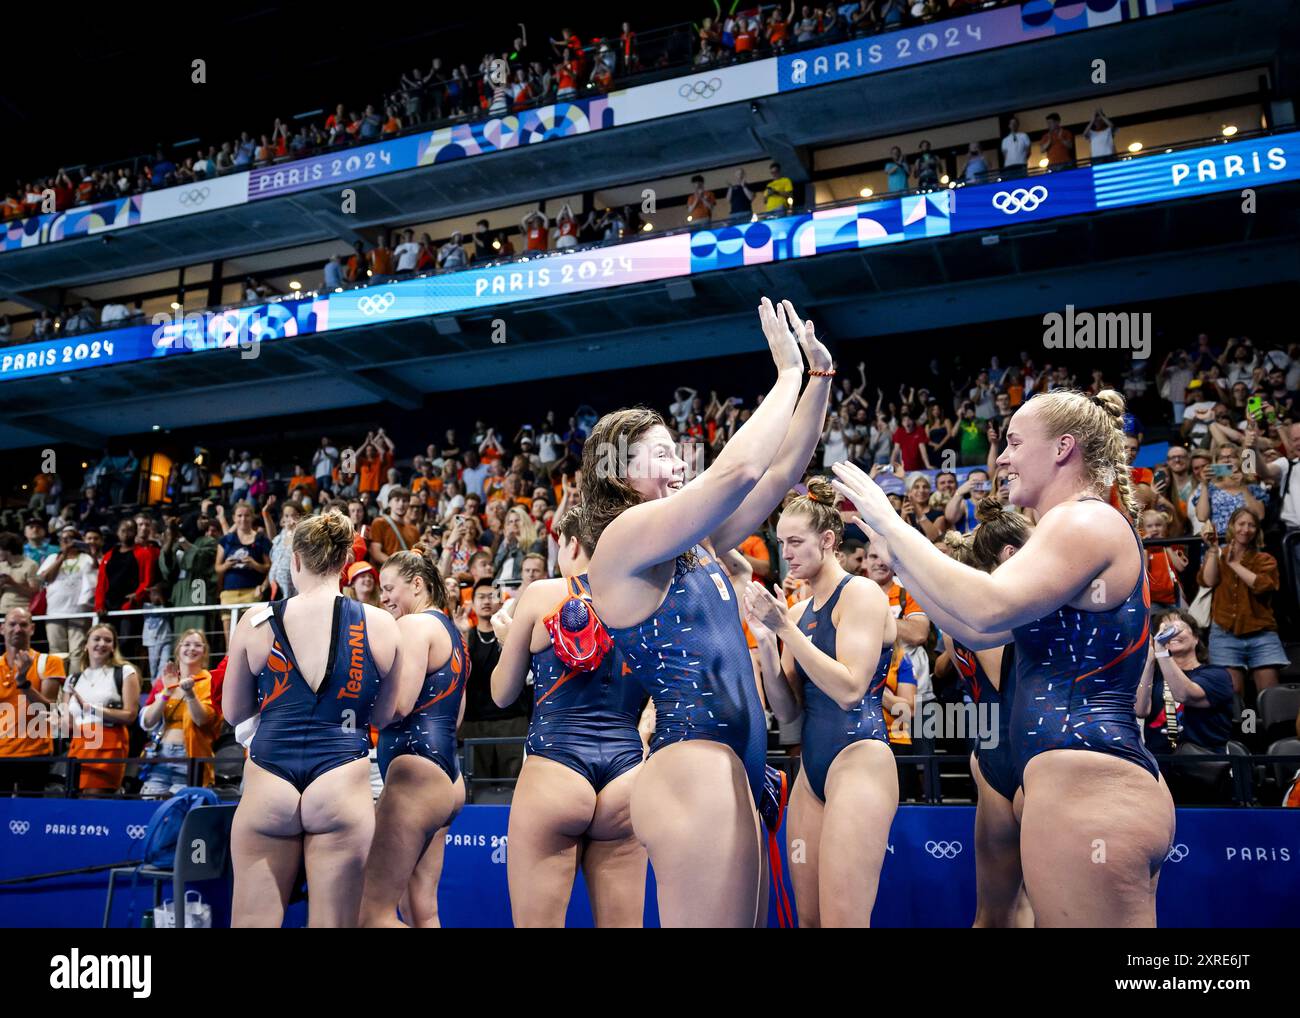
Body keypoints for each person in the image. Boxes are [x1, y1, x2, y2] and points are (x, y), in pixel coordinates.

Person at [830, 388, 1176, 926]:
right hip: (1081, 787)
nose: (1003, 458)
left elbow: (987, 607)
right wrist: (892, 545)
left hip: (1091, 792)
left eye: (1014, 442)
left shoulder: (1081, 521)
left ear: (1063, 448)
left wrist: (896, 525)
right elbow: (971, 624)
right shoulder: (1070, 526)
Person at [584, 297, 832, 927]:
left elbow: (776, 476)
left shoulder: (693, 544)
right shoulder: (621, 542)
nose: (679, 466)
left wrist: (818, 382)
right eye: (663, 454)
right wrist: (784, 376)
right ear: (617, 471)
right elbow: (738, 468)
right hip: (690, 765)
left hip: (735, 767)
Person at [223, 511, 403, 927]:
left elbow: (233, 713)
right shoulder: (380, 624)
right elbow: (383, 715)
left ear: (296, 561)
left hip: (270, 777)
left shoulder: (254, 621)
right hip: (341, 780)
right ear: (344, 564)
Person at [742, 478, 895, 927]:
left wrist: (787, 632)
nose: (785, 553)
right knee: (807, 920)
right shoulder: (797, 610)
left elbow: (850, 689)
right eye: (781, 543)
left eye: (795, 542)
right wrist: (769, 646)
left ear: (828, 541)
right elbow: (788, 713)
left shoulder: (862, 594)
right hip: (813, 768)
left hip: (859, 758)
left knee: (843, 921)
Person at [490, 506, 648, 927]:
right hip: (627, 775)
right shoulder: (647, 600)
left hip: (556, 767)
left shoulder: (543, 593)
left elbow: (502, 694)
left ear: (571, 543)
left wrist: (510, 641)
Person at [360, 549, 467, 928]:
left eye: (389, 588)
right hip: (447, 778)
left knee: (370, 915)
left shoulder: (413, 626)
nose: (383, 597)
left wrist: (356, 705)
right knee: (422, 909)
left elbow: (398, 706)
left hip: (414, 779)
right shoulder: (453, 634)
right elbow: (456, 718)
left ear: (417, 584)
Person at [940, 506, 1034, 928]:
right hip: (1025, 751)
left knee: (998, 913)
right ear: (1009, 554)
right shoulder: (1006, 613)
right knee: (1032, 908)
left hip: (989, 748)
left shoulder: (954, 619)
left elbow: (971, 679)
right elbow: (1000, 678)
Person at [1197, 507, 1287, 696]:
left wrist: (1234, 565)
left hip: (1260, 633)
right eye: (1241, 524)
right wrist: (1213, 551)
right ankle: (1246, 726)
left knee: (1270, 692)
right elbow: (1208, 581)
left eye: (1251, 525)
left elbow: (1262, 585)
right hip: (1225, 633)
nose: (1246, 529)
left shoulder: (1264, 559)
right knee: (1232, 692)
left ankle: (1262, 726)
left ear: (1257, 530)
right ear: (1232, 526)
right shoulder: (1219, 554)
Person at [138, 629, 220, 795]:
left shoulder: (211, 681)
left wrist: (190, 694)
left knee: (181, 811)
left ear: (204, 652)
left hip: (190, 757)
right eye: (187, 644)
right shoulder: (165, 680)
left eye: (197, 645)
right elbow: (147, 722)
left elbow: (202, 720)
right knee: (150, 807)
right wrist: (166, 692)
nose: (191, 648)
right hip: (160, 755)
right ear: (178, 650)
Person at [64, 623, 141, 793]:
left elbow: (130, 715)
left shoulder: (125, 672)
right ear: (86, 645)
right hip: (78, 747)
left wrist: (91, 708)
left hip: (107, 746)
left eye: (108, 640)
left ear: (113, 647)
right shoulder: (73, 679)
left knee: (94, 800)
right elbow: (67, 723)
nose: (102, 643)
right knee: (74, 804)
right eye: (96, 639)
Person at [0, 607, 65, 795]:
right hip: (1, 754)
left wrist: (23, 682)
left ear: (32, 629)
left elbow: (47, 708)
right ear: (2, 629)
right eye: (12, 624)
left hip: (35, 754)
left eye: (23, 624)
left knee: (30, 817)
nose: (18, 629)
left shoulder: (49, 662)